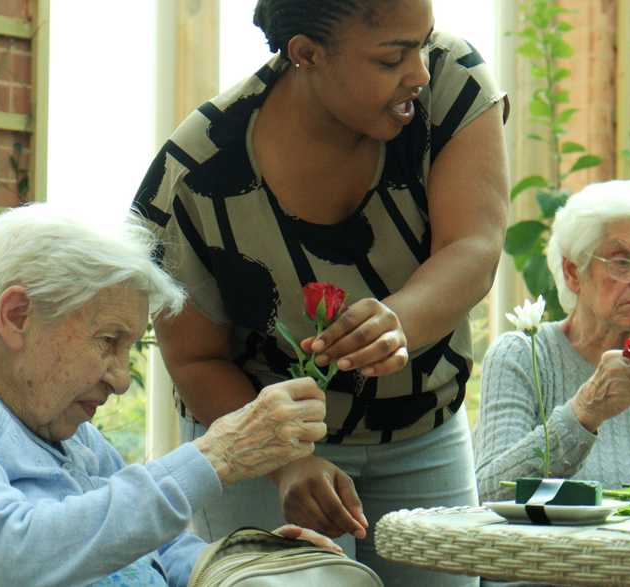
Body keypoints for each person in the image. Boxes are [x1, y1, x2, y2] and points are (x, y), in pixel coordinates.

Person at [132, 0, 508, 583]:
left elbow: (475, 247)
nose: (421, 73)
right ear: (307, 53)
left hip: (418, 430)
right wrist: (285, 461)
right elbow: (194, 357)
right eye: (392, 57)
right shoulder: (199, 174)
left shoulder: (450, 86)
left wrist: (397, 320)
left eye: (423, 44)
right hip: (257, 438)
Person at [0, 203, 340, 587]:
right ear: (17, 316)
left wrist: (238, 565)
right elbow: (4, 557)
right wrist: (214, 456)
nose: (121, 378)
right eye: (109, 342)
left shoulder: (43, 407)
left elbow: (160, 545)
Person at [475, 180, 630, 502]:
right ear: (573, 272)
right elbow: (489, 492)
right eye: (624, 263)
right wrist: (585, 411)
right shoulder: (523, 356)